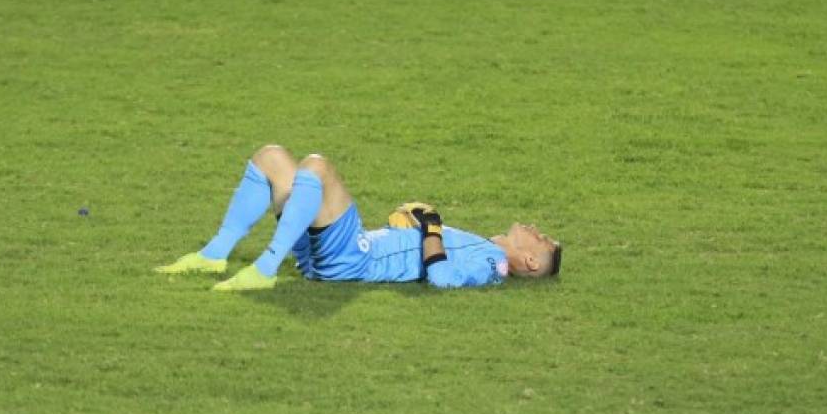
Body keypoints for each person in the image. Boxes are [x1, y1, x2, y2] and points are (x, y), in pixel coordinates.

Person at [155, 145, 562, 291]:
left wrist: (431, 224)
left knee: (317, 167)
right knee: (272, 158)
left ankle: (266, 267)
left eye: (541, 239)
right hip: (349, 252)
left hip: (355, 259)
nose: (534, 230)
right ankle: (214, 255)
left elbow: (441, 280)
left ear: (529, 262)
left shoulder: (493, 265)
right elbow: (426, 253)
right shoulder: (481, 247)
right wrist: (411, 225)